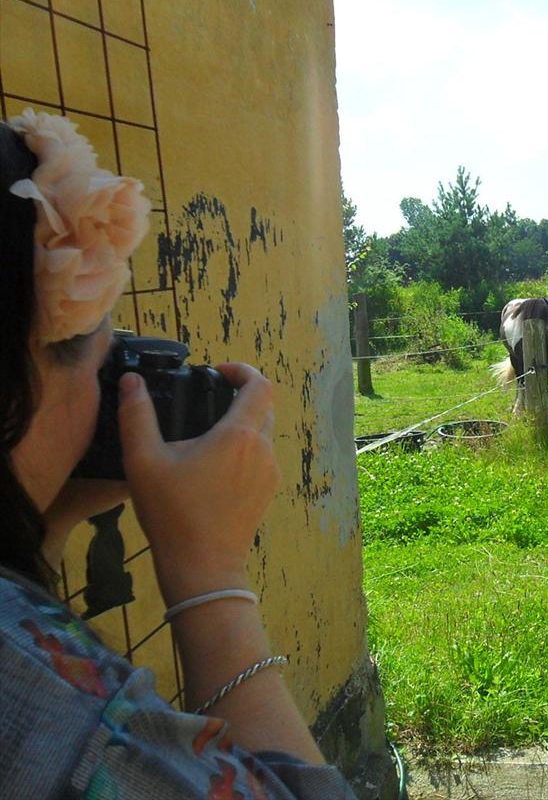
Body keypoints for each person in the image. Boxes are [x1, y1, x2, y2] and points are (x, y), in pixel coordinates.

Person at [0, 111, 356, 798]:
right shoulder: (47, 695)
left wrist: (40, 519)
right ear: (27, 371)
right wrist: (210, 577)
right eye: (100, 355)